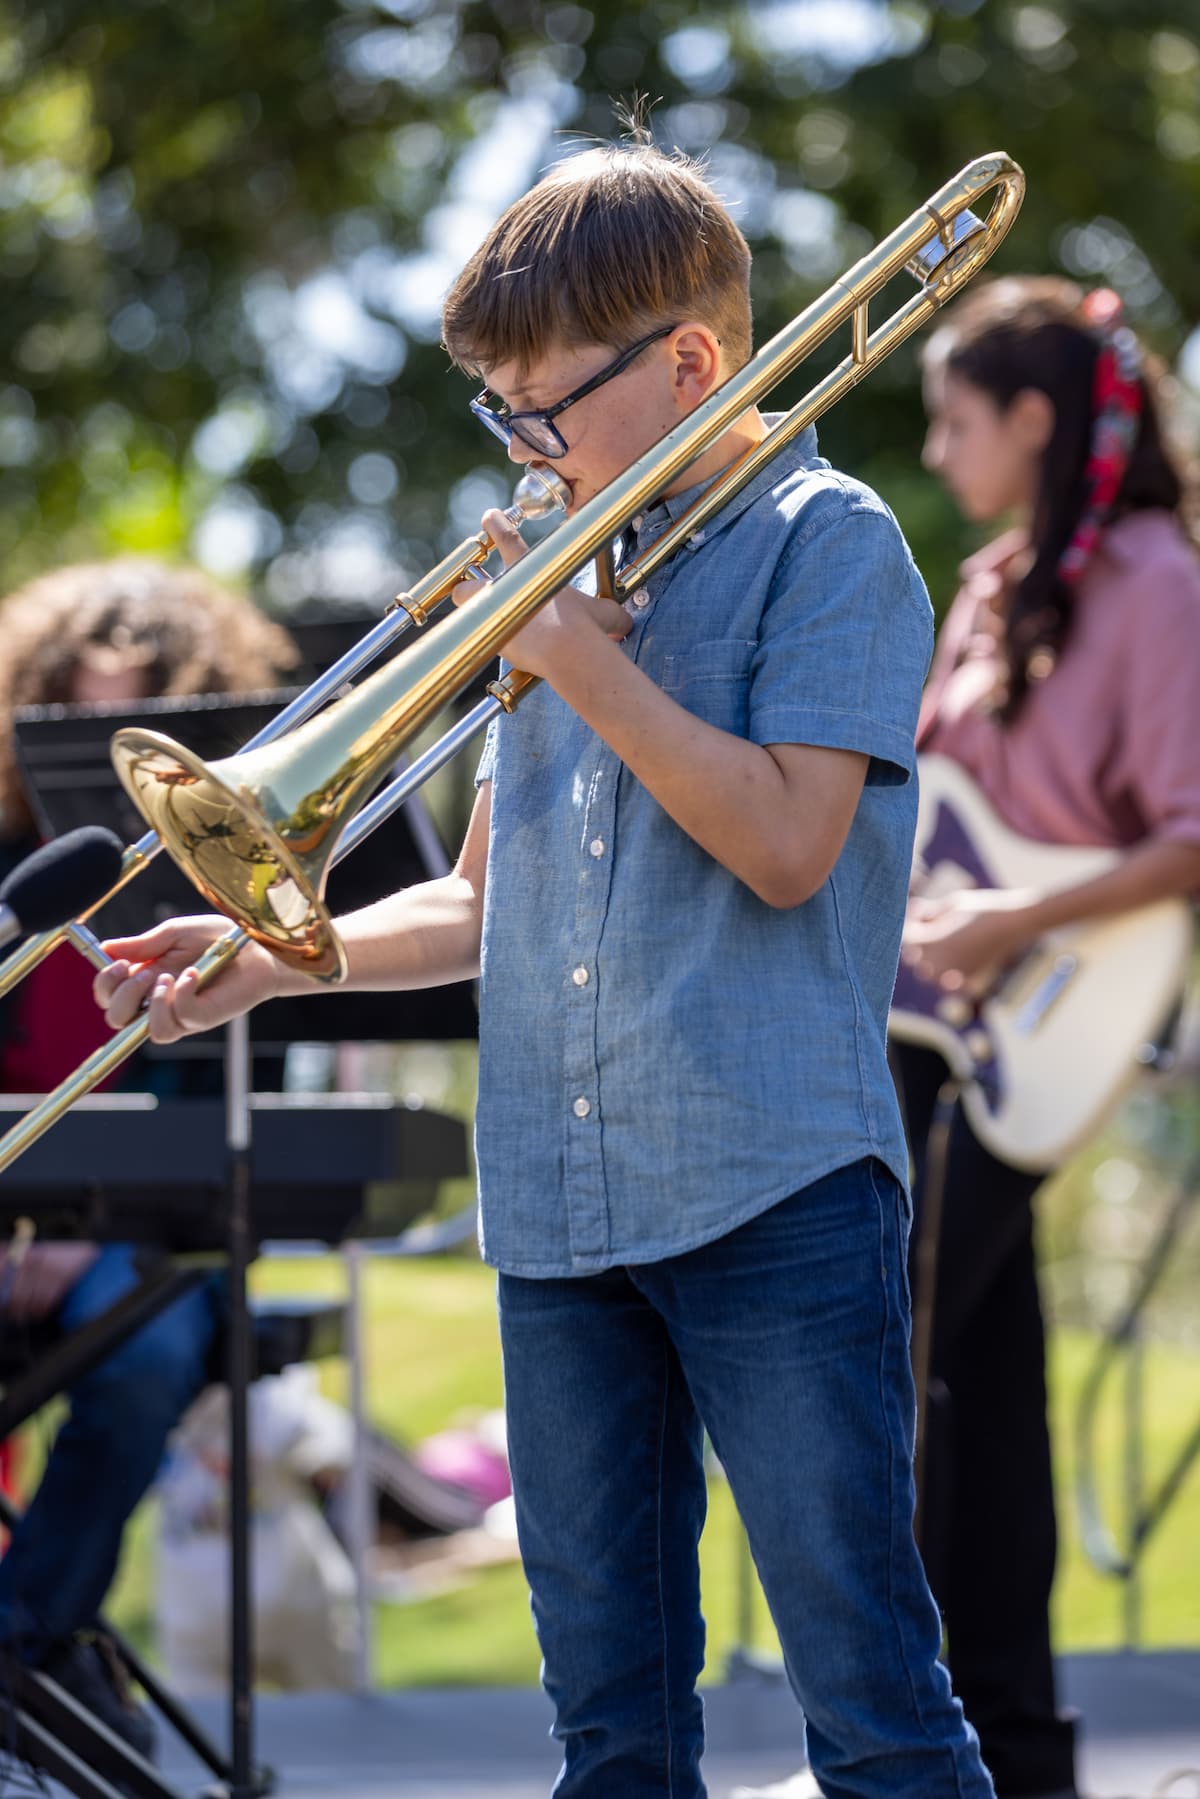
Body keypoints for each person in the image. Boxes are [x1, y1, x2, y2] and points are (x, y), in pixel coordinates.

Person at [96, 137, 996, 1798]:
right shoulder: (564, 566)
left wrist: (579, 658)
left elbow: (790, 843)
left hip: (772, 1188)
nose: (517, 447)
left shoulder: (831, 538)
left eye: (539, 407)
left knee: (872, 1702)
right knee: (609, 1728)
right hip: (562, 1208)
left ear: (690, 363)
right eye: (494, 411)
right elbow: (475, 907)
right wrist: (272, 956)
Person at [891, 277, 1200, 1799]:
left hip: (1050, 1015)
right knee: (982, 1384)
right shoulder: (989, 581)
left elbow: (1194, 829)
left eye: (956, 417)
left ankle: (926, 1740)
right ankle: (1012, 1749)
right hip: (932, 1026)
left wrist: (1007, 925)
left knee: (892, 1351)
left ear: (1033, 417)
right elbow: (941, 813)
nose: (937, 447)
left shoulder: (1156, 579)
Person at [0, 559, 297, 1765]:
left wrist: (80, 1229)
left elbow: (227, 1109)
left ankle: (22, 1640)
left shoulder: (233, 871)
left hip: (148, 1235)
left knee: (145, 1353)